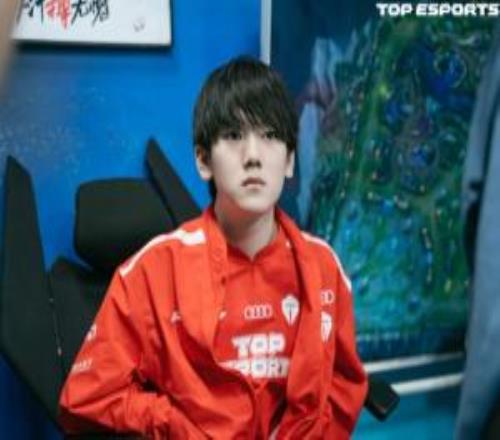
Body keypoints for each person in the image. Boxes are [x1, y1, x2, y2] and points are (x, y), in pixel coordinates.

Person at [59, 56, 367, 439]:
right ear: (204, 161)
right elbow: (86, 397)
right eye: (234, 136)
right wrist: (173, 424)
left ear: (290, 161)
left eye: (270, 136)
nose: (253, 155)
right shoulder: (153, 271)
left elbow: (343, 387)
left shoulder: (323, 268)